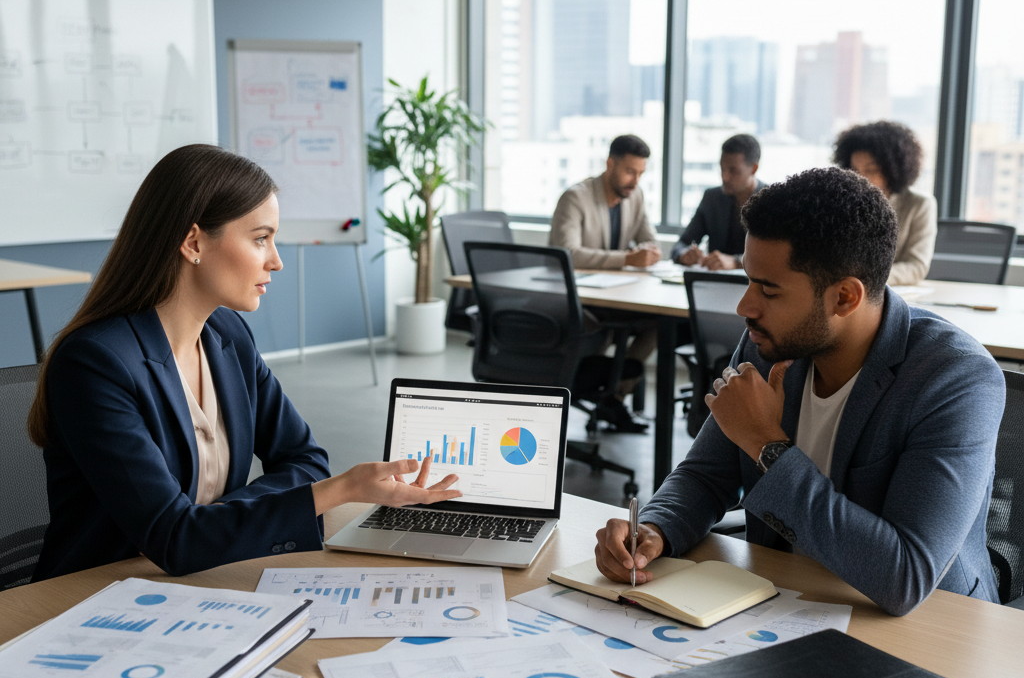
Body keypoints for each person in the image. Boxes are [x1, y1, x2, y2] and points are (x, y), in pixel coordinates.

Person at [29, 144, 461, 580]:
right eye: (260, 238)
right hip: (92, 593)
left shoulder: (228, 337)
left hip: (205, 577)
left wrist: (217, 521)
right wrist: (342, 490)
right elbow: (174, 539)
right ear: (194, 242)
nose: (275, 260)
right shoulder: (95, 364)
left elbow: (304, 458)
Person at [593, 167, 1004, 617]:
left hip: (929, 629)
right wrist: (656, 528)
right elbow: (705, 475)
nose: (744, 307)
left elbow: (904, 576)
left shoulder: (956, 379)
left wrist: (766, 446)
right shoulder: (769, 343)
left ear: (845, 297)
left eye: (768, 290)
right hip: (784, 603)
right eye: (749, 280)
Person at [548, 133, 660, 433]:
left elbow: (649, 238)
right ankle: (599, 391)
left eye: (640, 173)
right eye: (629, 171)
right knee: (604, 332)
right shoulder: (576, 197)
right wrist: (626, 258)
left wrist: (650, 251)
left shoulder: (633, 196)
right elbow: (567, 252)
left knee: (658, 324)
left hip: (617, 296)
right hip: (580, 303)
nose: (635, 180)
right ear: (610, 163)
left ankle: (614, 397)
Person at [833, 120, 937, 286]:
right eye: (854, 170)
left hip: (887, 294)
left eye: (871, 170)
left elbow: (916, 267)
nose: (860, 177)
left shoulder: (920, 205)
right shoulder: (842, 202)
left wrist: (865, 281)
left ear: (892, 170)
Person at [671, 133, 764, 270]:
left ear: (753, 169)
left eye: (733, 171)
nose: (724, 177)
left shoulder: (771, 201)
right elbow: (681, 244)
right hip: (712, 283)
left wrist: (737, 262)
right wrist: (684, 254)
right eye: (722, 168)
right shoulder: (712, 198)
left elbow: (778, 257)